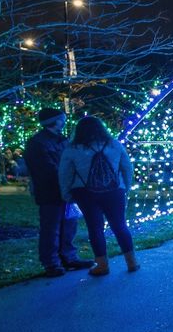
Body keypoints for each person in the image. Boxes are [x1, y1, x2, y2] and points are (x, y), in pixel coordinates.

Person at [57, 116, 137, 276]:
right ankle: (132, 262)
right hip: (114, 191)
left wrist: (66, 193)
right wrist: (125, 188)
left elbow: (65, 173)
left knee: (95, 228)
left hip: (85, 192)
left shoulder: (73, 148)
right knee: (120, 225)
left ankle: (102, 265)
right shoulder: (114, 144)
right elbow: (127, 168)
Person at [25, 108, 93, 277]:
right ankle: (51, 263)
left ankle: (69, 257)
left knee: (69, 224)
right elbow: (46, 169)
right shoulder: (38, 143)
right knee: (51, 227)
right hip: (51, 193)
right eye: (62, 119)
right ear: (55, 121)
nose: (64, 121)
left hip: (68, 191)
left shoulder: (63, 141)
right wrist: (68, 178)